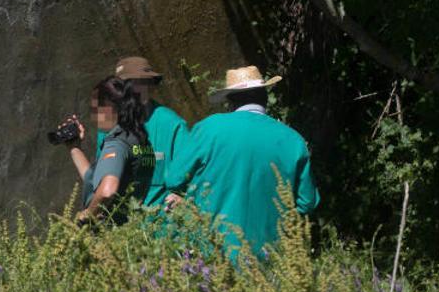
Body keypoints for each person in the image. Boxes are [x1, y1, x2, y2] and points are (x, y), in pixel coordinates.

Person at [164, 65, 319, 262]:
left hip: (214, 254)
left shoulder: (209, 128)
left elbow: (174, 178)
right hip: (272, 259)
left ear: (229, 101)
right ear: (264, 97)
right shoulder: (293, 140)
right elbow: (306, 202)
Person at [62, 76, 156, 224]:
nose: (93, 117)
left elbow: (107, 190)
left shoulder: (117, 142)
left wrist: (87, 215)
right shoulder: (139, 140)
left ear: (107, 109)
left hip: (108, 234)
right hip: (129, 229)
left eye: (94, 109)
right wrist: (75, 147)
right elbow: (95, 181)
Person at [109, 56, 189, 211]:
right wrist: (74, 148)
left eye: (140, 83)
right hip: (119, 228)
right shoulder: (108, 125)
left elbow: (192, 177)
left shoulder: (172, 124)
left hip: (160, 228)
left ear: (151, 85)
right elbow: (99, 182)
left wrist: (182, 197)